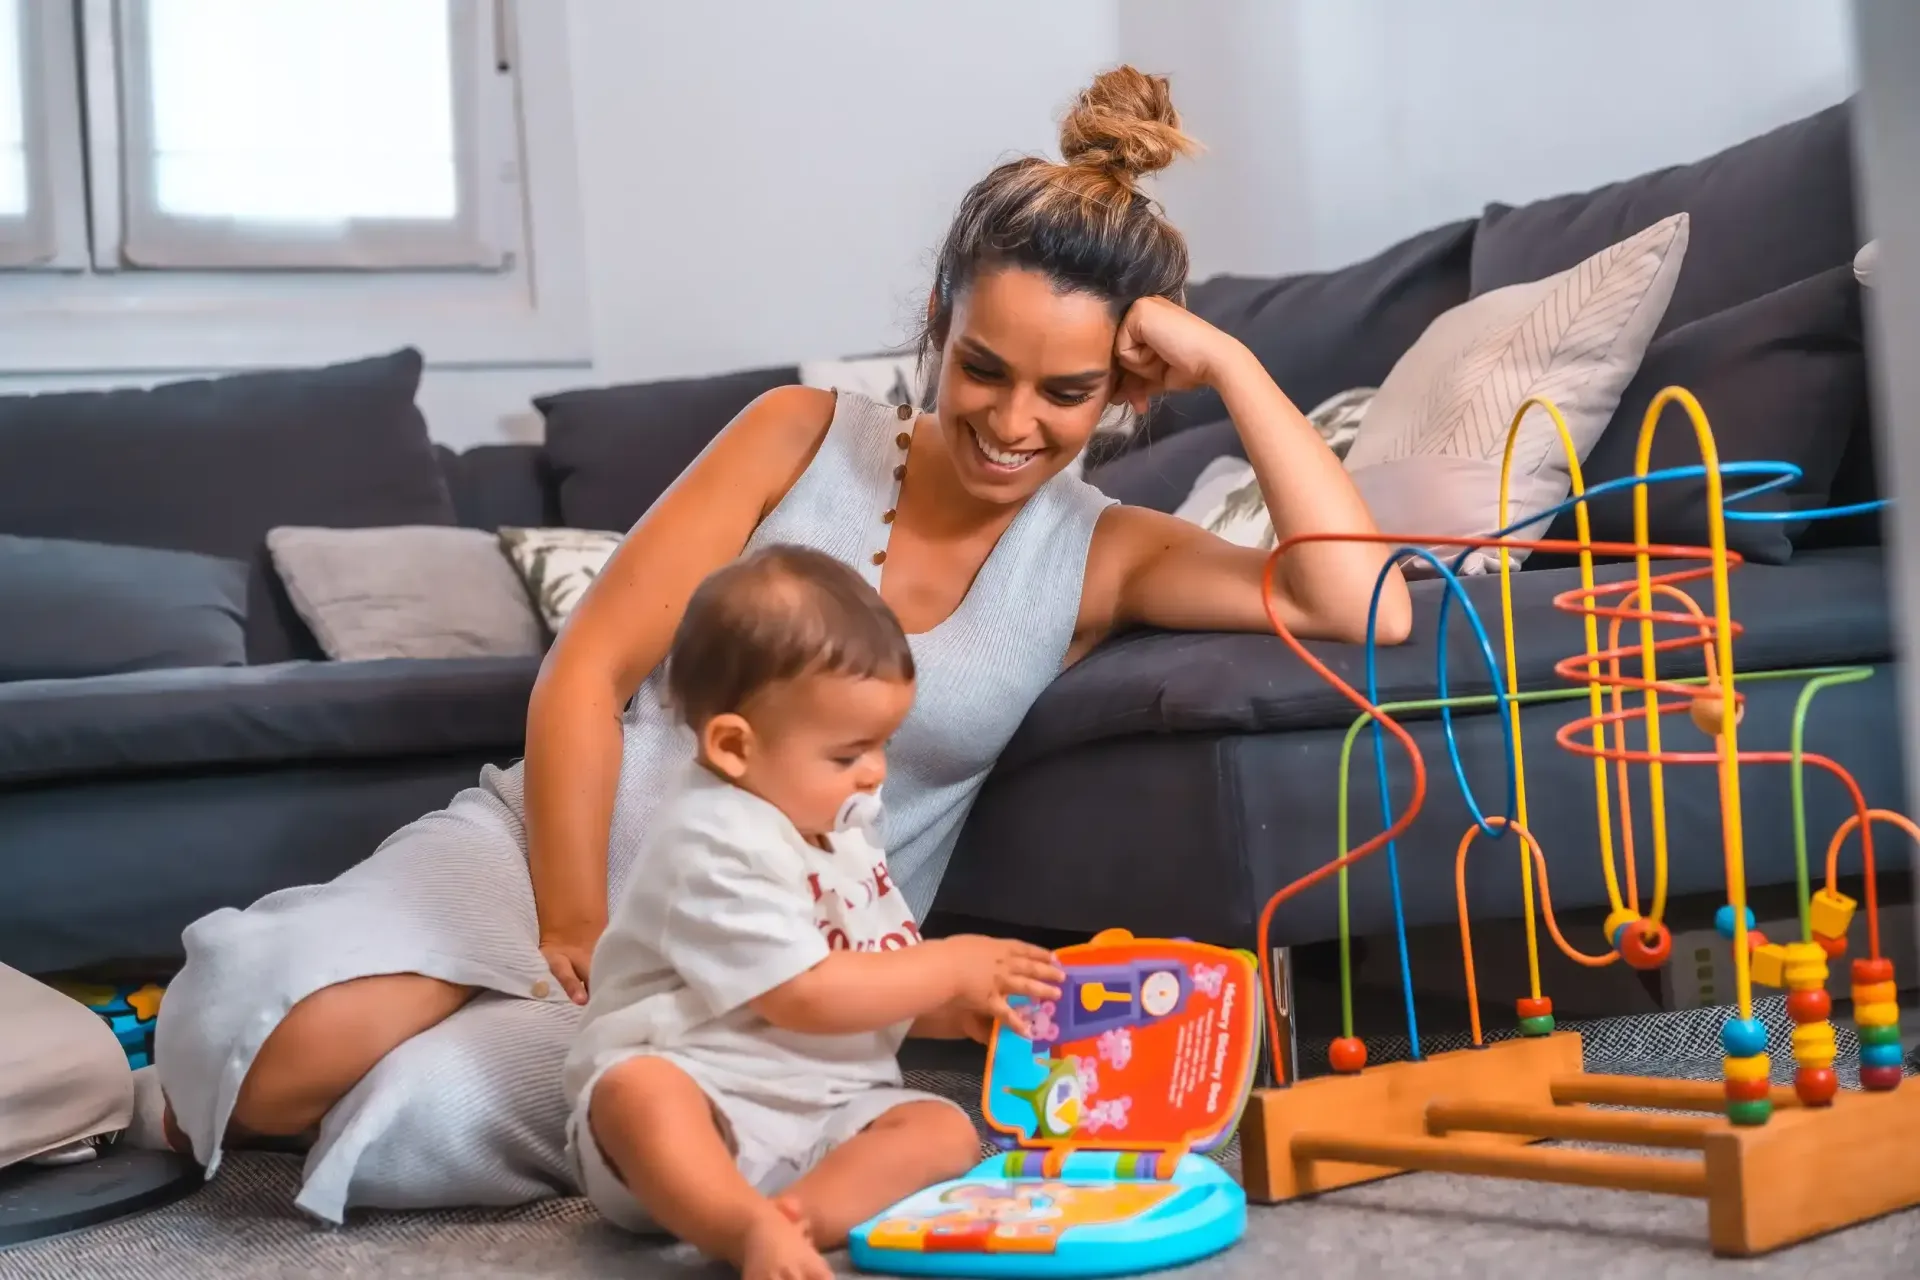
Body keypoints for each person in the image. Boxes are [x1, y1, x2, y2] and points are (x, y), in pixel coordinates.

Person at [143, 64, 1410, 1221]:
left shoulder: (1110, 553)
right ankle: (228, 1044)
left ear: (1124, 390)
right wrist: (571, 927)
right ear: (936, 319)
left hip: (757, 970)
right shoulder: (796, 432)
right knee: (285, 1050)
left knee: (421, 1105)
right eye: (983, 367)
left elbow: (1368, 605)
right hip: (559, 853)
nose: (1013, 422)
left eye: (1066, 391)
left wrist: (1233, 361)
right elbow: (587, 670)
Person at [569, 544, 1064, 1280]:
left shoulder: (840, 824)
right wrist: (948, 965)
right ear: (735, 746)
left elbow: (866, 974)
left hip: (829, 1105)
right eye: (848, 753)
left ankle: (794, 1219)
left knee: (943, 1130)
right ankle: (734, 1223)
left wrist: (943, 1009)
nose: (876, 772)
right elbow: (801, 993)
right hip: (706, 1090)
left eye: (883, 743)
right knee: (635, 1095)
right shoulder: (712, 841)